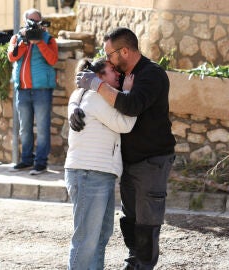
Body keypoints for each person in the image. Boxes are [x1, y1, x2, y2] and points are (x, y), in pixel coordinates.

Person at [72, 27, 177, 269]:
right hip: (128, 162)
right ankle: (133, 263)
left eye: (110, 55)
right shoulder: (119, 77)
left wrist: (97, 86)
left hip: (152, 161)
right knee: (129, 219)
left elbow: (130, 106)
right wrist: (74, 108)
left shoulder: (152, 75)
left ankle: (142, 266)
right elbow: (95, 103)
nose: (107, 59)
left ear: (125, 51)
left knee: (147, 221)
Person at [65, 58, 136, 270]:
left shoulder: (86, 96)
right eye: (112, 70)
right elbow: (124, 124)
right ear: (99, 77)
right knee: (87, 239)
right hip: (89, 174)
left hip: (97, 174)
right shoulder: (96, 97)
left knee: (100, 236)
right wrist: (128, 94)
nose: (117, 74)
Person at [7, 8, 58, 175]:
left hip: (41, 89)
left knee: (42, 128)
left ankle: (41, 163)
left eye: (36, 21)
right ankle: (26, 160)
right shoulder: (17, 37)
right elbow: (12, 57)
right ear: (25, 21)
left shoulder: (48, 39)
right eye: (31, 21)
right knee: (25, 128)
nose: (34, 24)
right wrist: (23, 41)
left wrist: (39, 42)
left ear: (41, 21)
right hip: (22, 89)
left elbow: (52, 60)